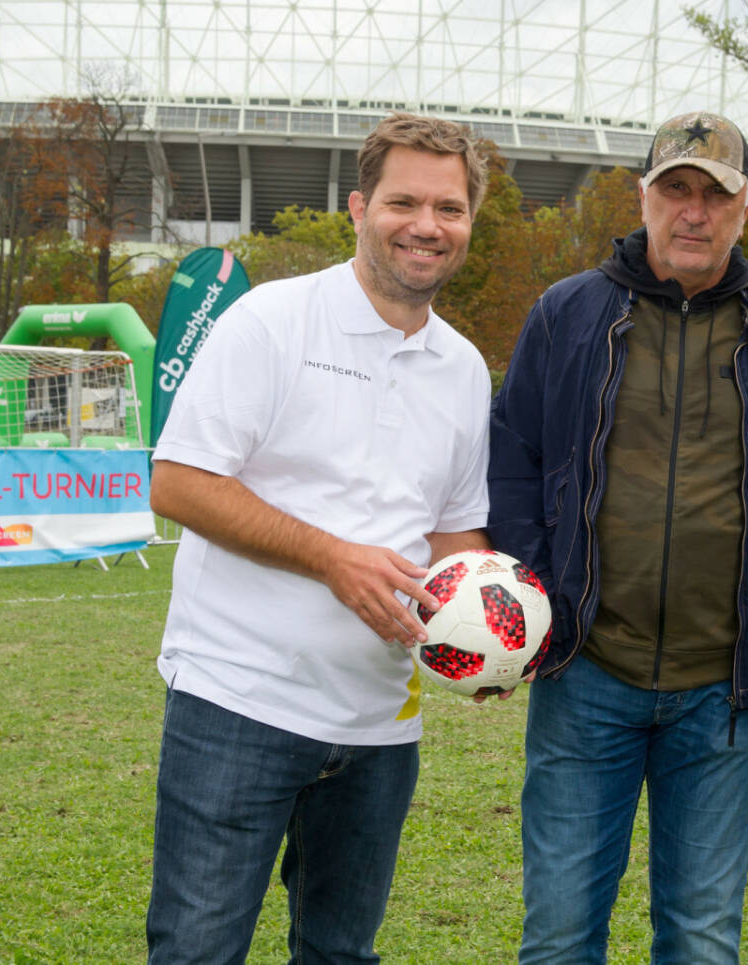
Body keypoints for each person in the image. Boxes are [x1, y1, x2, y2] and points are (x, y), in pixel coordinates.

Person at [145, 112, 494, 964]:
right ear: (357, 207)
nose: (426, 225)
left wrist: (485, 631)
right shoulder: (272, 320)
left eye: (449, 208)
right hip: (238, 700)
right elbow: (179, 480)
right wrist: (332, 557)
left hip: (380, 722)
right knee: (198, 949)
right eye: (404, 201)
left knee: (340, 953)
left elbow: (454, 532)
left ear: (469, 223)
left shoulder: (465, 367)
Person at [488, 111, 748, 964]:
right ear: (644, 197)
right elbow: (515, 460)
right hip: (589, 673)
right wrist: (535, 613)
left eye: (716, 193)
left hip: (723, 690)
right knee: (558, 936)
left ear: (745, 208)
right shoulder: (568, 311)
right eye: (676, 190)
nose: (694, 212)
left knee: (702, 940)